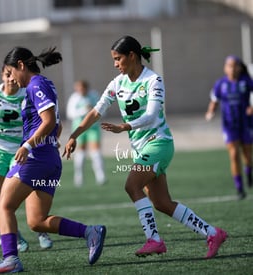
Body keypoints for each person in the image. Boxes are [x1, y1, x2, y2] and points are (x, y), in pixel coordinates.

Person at [64, 35, 227, 259]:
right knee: (161, 203)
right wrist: (74, 135)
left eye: (118, 58)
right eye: (113, 59)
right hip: (142, 149)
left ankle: (154, 240)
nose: (115, 64)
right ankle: (213, 233)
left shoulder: (153, 80)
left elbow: (151, 115)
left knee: (132, 185)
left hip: (159, 144)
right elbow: (95, 111)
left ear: (132, 56)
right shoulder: (117, 83)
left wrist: (125, 126)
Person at [0, 47, 106, 275]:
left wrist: (28, 145)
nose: (10, 78)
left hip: (36, 158)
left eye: (10, 72)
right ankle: (90, 232)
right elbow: (55, 125)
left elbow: (48, 121)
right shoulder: (45, 84)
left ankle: (10, 259)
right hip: (49, 159)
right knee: (37, 221)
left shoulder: (35, 84)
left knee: (3, 205)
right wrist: (48, 142)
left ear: (21, 65)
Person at [0, 65, 53, 251]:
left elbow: (44, 119)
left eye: (12, 75)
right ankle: (14, 236)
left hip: (20, 150)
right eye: (7, 75)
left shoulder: (27, 93)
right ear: (2, 75)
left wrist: (46, 138)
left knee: (26, 191)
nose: (11, 79)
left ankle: (40, 230)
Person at [205, 55, 253, 200]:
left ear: (239, 67)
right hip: (229, 125)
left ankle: (249, 171)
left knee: (247, 154)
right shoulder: (220, 84)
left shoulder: (246, 82)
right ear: (225, 68)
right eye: (229, 66)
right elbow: (214, 100)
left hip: (246, 123)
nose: (232, 68)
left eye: (234, 65)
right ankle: (239, 188)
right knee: (233, 154)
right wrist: (210, 112)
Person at [66, 80, 106, 186]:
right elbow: (70, 113)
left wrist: (92, 111)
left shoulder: (94, 95)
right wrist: (84, 110)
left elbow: (102, 110)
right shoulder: (74, 98)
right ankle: (79, 178)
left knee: (96, 152)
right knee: (81, 152)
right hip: (79, 127)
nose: (80, 90)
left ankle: (100, 177)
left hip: (93, 128)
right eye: (78, 88)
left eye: (82, 88)